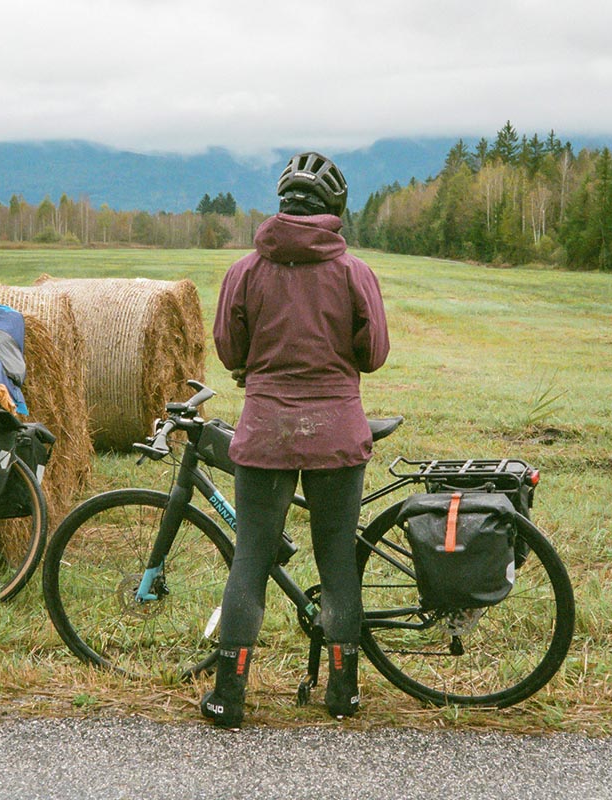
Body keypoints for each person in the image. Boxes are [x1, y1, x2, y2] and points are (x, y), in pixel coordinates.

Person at [202, 151, 389, 729]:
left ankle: (228, 696)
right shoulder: (354, 271)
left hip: (265, 431)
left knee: (250, 558)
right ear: (334, 209)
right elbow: (374, 353)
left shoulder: (245, 270)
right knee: (337, 560)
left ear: (281, 205)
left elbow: (230, 352)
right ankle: (343, 692)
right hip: (336, 432)